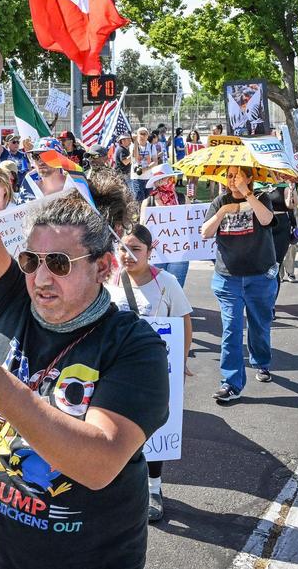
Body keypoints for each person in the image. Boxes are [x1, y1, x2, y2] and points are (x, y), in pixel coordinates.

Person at [0, 27, 170, 569]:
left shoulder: (133, 346)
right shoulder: (14, 305)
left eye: (60, 264)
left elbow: (98, 462)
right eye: (31, 261)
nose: (41, 277)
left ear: (103, 267)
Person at [105, 223, 192, 523]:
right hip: (114, 371)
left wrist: (180, 364)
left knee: (154, 433)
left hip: (155, 373)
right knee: (115, 432)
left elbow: (184, 322)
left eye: (135, 249)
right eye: (122, 249)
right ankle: (122, 488)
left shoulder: (166, 282)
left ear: (150, 251)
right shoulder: (109, 280)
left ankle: (154, 489)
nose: (127, 255)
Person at [200, 166, 278, 402]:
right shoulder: (219, 201)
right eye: (228, 175)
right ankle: (231, 382)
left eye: (237, 175)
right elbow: (205, 232)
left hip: (259, 277)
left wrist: (248, 194)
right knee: (231, 329)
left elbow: (267, 220)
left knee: (259, 325)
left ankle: (261, 362)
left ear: (250, 177)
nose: (231, 180)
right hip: (228, 278)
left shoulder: (262, 198)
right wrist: (223, 210)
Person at [139, 165, 189, 287]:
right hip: (157, 254)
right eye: (159, 180)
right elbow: (142, 228)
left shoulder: (183, 199)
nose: (163, 183)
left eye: (165, 179)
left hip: (179, 253)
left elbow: (190, 226)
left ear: (172, 179)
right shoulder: (148, 202)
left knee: (176, 289)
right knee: (156, 290)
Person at [265, 182, 298, 292]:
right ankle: (262, 298)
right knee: (262, 264)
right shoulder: (256, 184)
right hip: (262, 226)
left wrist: (291, 188)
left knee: (275, 264)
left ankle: (271, 299)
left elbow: (291, 205)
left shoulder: (284, 185)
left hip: (281, 225)